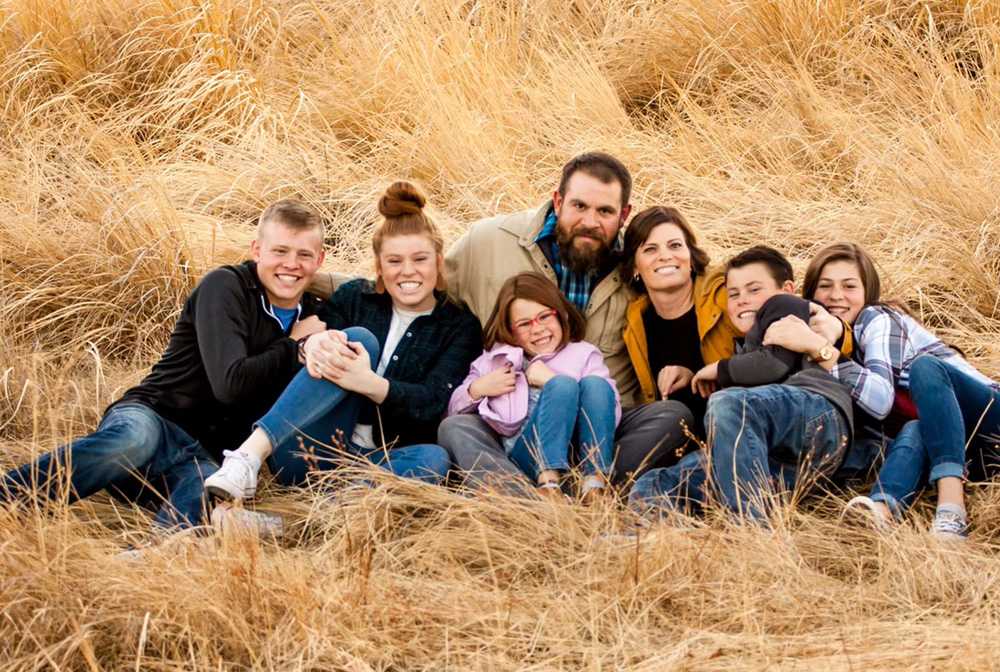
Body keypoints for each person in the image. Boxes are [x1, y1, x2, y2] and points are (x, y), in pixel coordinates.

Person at [0, 199, 328, 533]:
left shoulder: (319, 316)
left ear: (320, 260)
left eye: (304, 255)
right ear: (257, 250)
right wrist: (292, 347)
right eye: (280, 251)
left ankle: (147, 563)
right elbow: (230, 386)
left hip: (205, 456)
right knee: (135, 439)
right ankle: (7, 499)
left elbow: (367, 291)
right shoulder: (226, 286)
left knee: (202, 491)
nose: (291, 264)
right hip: (154, 417)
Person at [204, 182, 482, 500]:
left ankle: (296, 520)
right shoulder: (355, 299)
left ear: (438, 260)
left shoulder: (459, 325)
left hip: (379, 463)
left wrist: (368, 383)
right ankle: (246, 458)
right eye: (394, 261)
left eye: (420, 259)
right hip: (310, 447)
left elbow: (432, 402)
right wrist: (311, 341)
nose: (408, 272)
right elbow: (309, 369)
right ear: (379, 265)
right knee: (358, 338)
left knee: (434, 460)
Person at [439, 152, 692, 487]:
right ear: (558, 201)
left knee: (674, 417)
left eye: (605, 211)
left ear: (624, 214)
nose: (590, 221)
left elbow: (696, 293)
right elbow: (423, 287)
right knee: (456, 428)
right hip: (517, 424)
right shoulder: (488, 242)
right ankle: (523, 501)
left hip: (600, 430)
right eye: (579, 206)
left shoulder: (640, 263)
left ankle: (588, 487)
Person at [766, 242, 999, 539]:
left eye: (849, 286)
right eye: (825, 286)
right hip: (965, 452)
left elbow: (881, 401)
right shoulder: (832, 345)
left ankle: (951, 507)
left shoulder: (876, 319)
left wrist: (819, 349)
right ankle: (882, 511)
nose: (836, 296)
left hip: (990, 421)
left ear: (867, 292)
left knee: (925, 368)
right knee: (916, 428)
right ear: (811, 294)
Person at [629, 246, 853, 521]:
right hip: (776, 460)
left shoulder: (787, 307)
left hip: (815, 415)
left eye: (754, 289)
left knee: (729, 402)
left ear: (787, 288)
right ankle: (643, 541)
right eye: (733, 294)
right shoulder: (744, 348)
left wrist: (718, 369)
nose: (742, 300)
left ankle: (752, 531)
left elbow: (773, 364)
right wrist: (697, 377)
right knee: (655, 483)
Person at [446, 272, 620, 501]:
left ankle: (595, 485)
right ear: (510, 330)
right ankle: (547, 486)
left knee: (588, 385)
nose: (537, 329)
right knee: (453, 427)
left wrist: (553, 381)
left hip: (577, 452)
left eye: (545, 316)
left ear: (562, 315)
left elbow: (610, 412)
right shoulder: (495, 360)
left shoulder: (584, 353)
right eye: (524, 324)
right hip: (526, 454)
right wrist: (478, 388)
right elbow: (453, 411)